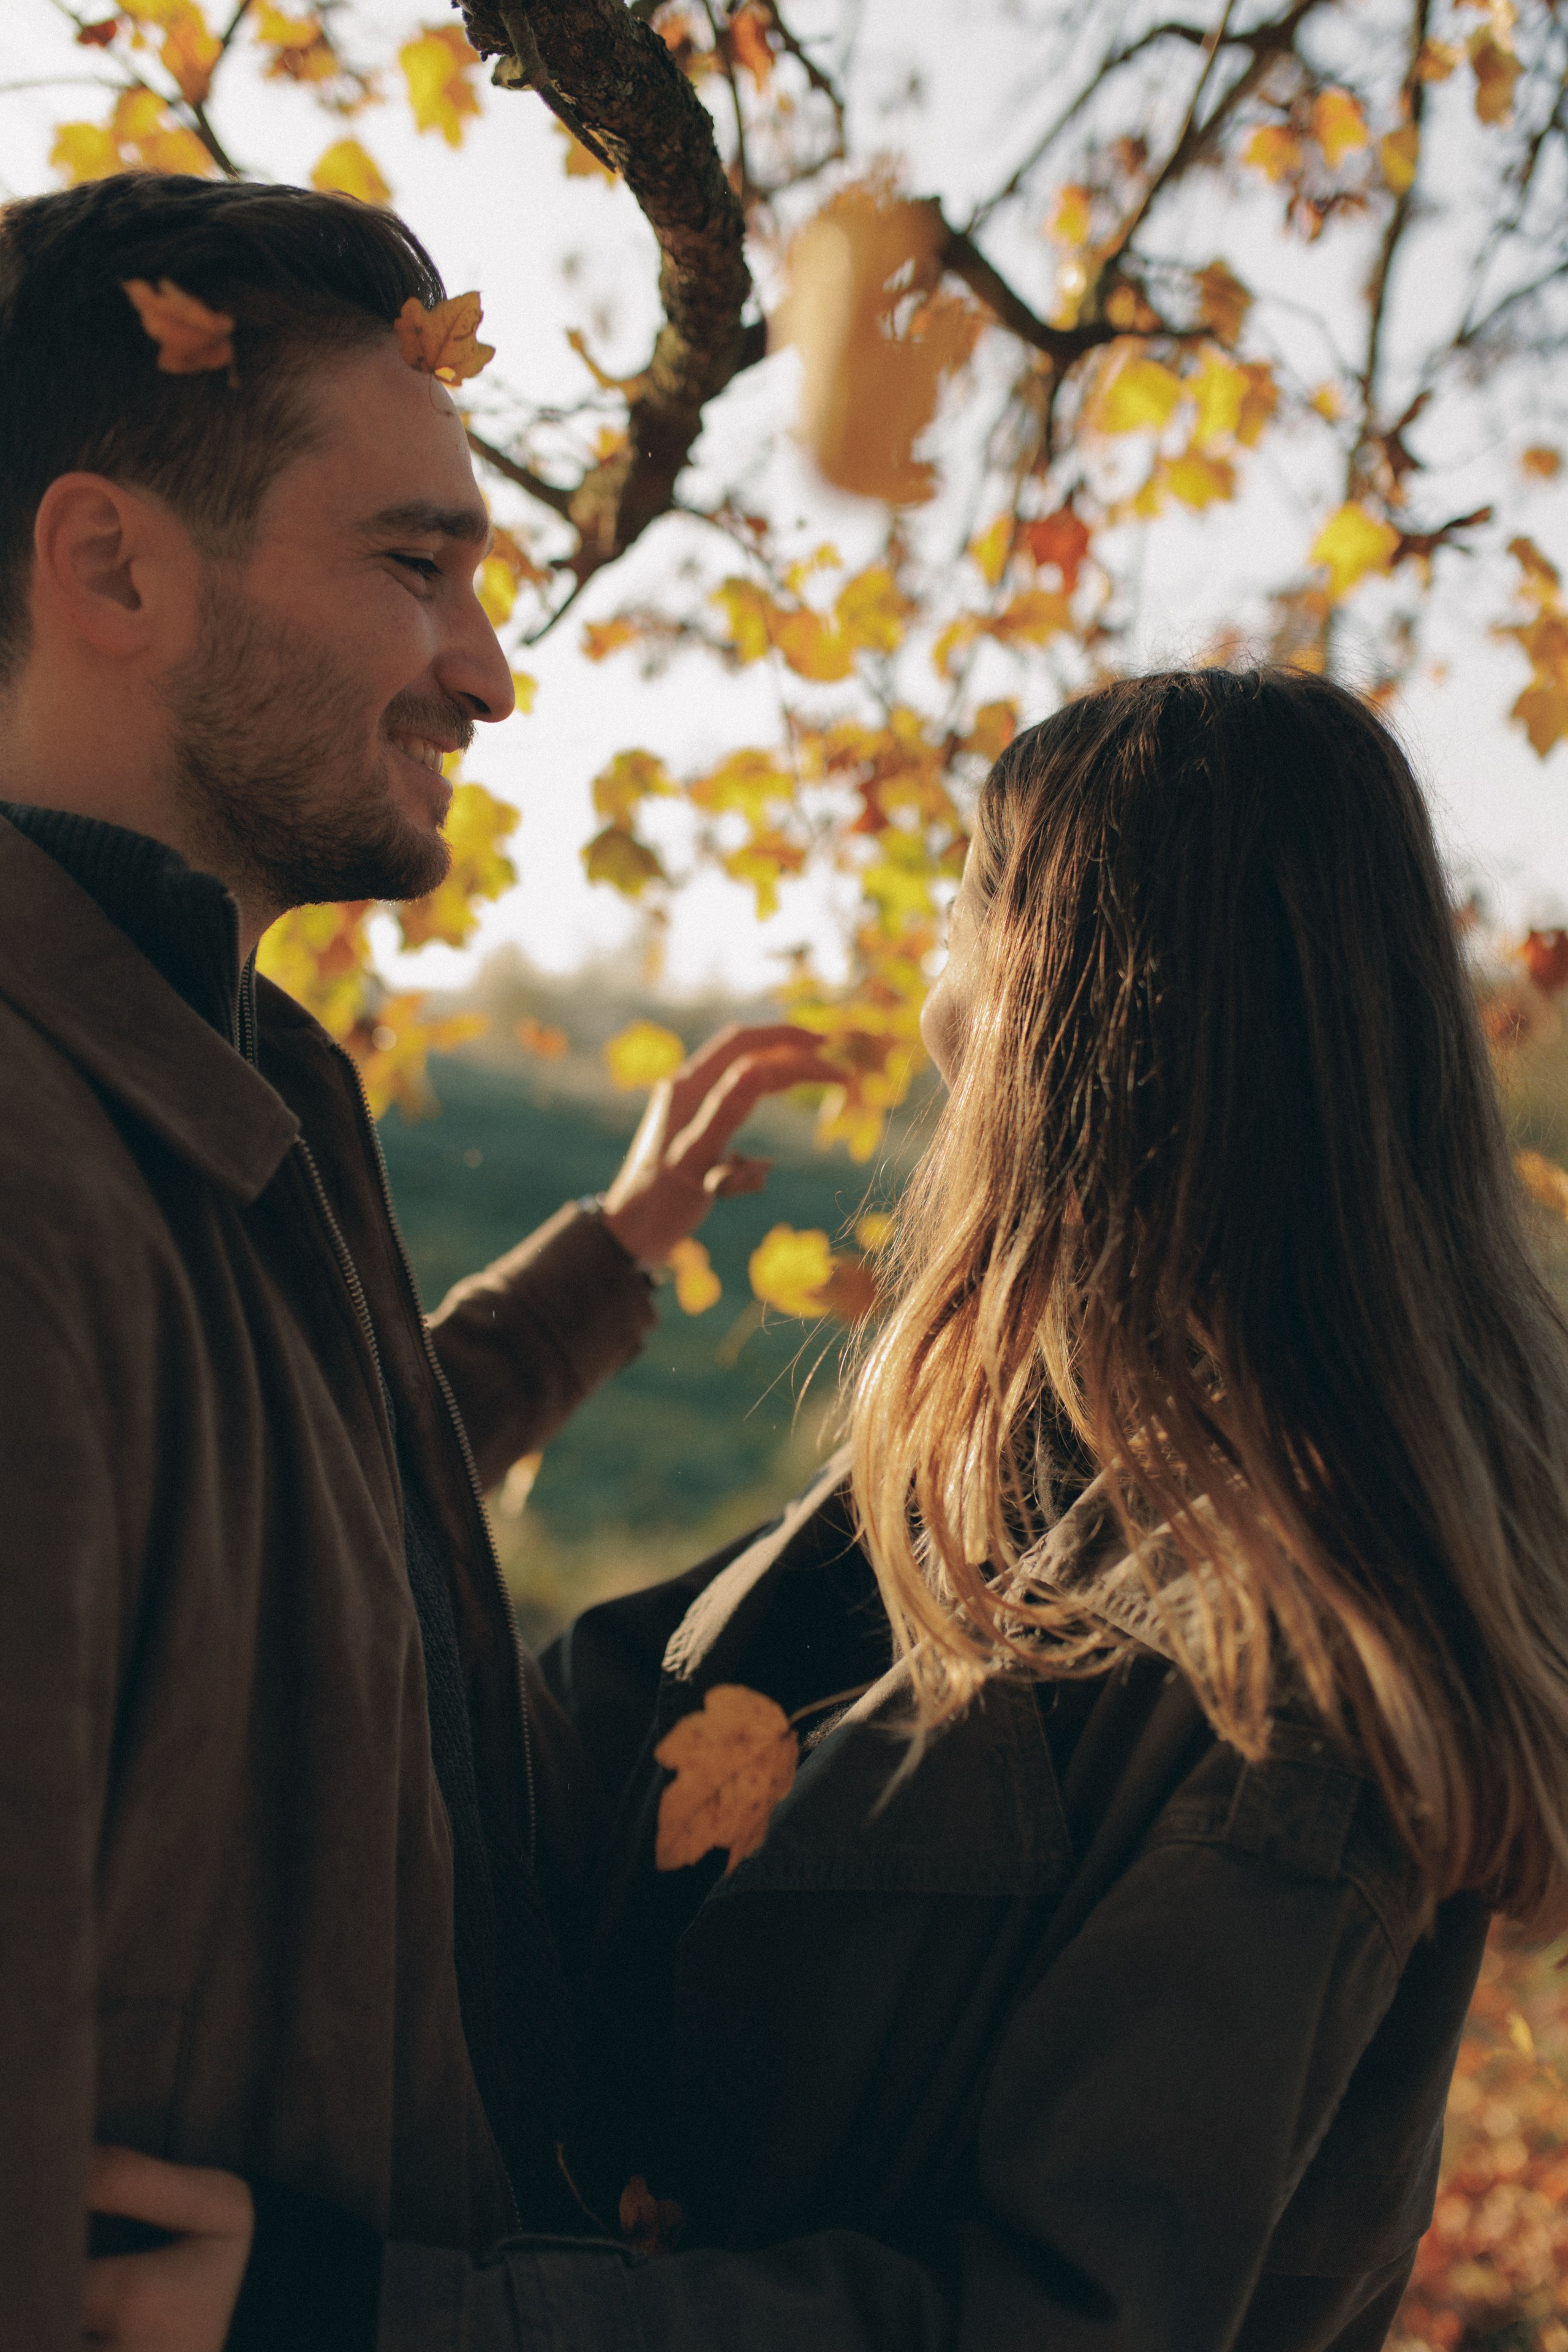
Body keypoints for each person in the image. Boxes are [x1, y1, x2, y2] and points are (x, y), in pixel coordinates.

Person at [89, 668, 1568, 2351]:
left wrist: (342, 2320)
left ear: (1088, 1007)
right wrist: (592, 1276)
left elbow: (1050, 2322)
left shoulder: (1285, 1679)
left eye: (971, 910)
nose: (936, 999)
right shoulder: (988, 1492)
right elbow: (484, 1732)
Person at [0, 169, 840, 2350]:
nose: (485, 669)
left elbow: (321, 1495)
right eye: (415, 564)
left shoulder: (224, 1080)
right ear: (110, 564)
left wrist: (616, 1251)